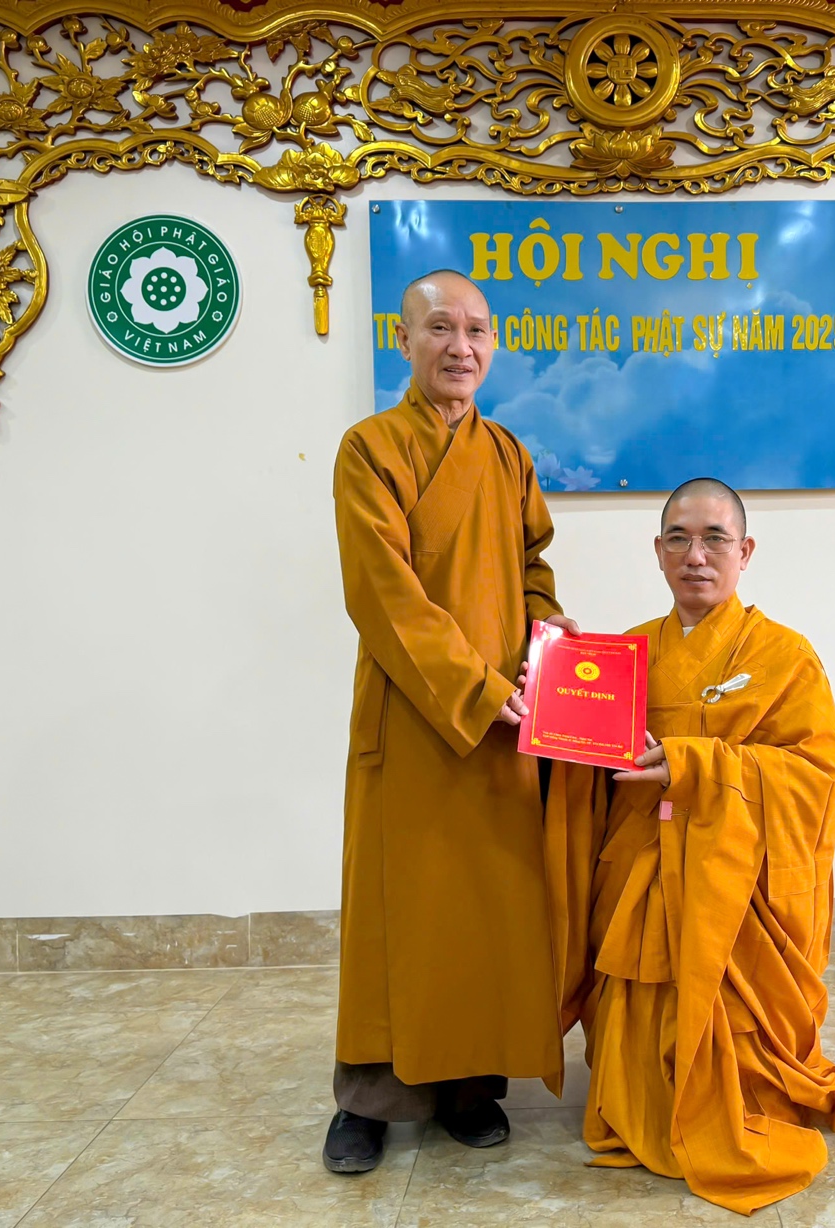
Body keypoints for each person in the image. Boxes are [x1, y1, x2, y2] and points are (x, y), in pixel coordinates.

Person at [543, 477, 835, 1215]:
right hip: (641, 874)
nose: (696, 555)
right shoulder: (625, 653)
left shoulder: (786, 656)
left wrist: (698, 766)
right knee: (636, 1002)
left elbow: (816, 773)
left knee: (738, 1035)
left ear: (744, 551)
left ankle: (735, 1091)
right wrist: (555, 671)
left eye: (715, 539)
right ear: (658, 552)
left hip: (733, 887)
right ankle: (645, 1093)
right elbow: (577, 755)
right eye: (679, 539)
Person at [325, 269, 578, 1174]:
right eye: (440, 327)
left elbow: (533, 564)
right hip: (416, 712)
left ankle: (471, 1085)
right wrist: (470, 686)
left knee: (488, 907)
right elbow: (382, 593)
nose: (460, 346)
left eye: (476, 329)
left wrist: (547, 638)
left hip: (506, 717)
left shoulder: (507, 454)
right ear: (404, 341)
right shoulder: (370, 449)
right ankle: (371, 1099)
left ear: (493, 344)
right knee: (395, 914)